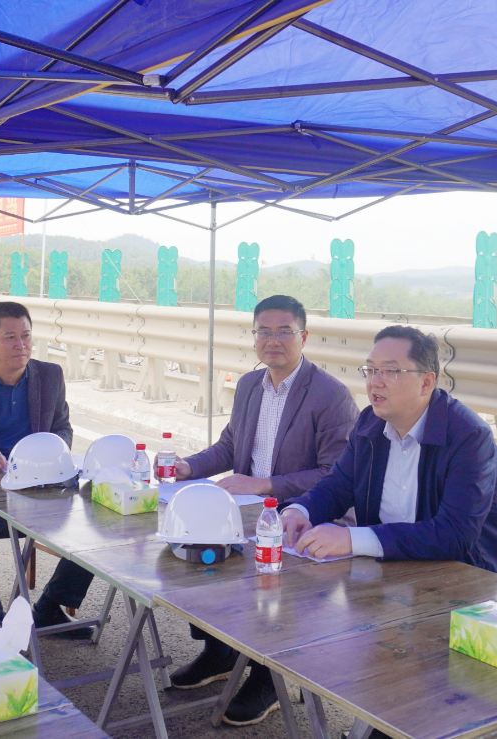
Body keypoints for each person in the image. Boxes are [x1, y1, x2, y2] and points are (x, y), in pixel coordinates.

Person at [169, 295, 359, 727]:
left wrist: (264, 484)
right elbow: (231, 446)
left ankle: (267, 676)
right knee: (192, 552)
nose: (273, 341)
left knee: (267, 582)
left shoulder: (331, 395)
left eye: (284, 331)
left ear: (304, 336)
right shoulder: (250, 385)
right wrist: (189, 468)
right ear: (254, 337)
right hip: (249, 508)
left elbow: (335, 475)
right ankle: (219, 650)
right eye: (264, 332)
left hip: (304, 514)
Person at [282, 325, 497, 570]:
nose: (375, 382)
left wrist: (351, 539)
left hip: (479, 576)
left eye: (390, 371)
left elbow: (454, 534)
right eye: (371, 370)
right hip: (397, 569)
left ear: (426, 383)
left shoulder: (468, 436)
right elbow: (337, 487)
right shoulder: (370, 423)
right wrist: (300, 510)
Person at [0, 301, 88, 635]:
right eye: (9, 337)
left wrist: (49, 454)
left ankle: (49, 607)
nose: (20, 345)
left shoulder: (50, 376)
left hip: (40, 487)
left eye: (26, 335)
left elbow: (63, 429)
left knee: (98, 525)